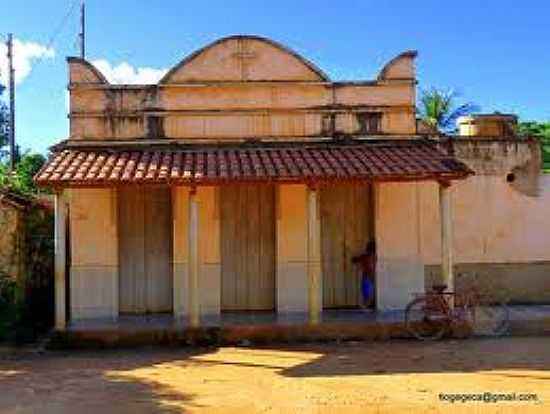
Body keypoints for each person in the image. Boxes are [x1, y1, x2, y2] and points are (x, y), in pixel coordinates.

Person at [352, 241, 377, 309]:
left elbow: (355, 260)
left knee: (367, 295)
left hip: (367, 277)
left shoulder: (367, 256)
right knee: (369, 295)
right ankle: (364, 307)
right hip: (368, 278)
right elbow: (355, 260)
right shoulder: (371, 257)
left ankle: (364, 306)